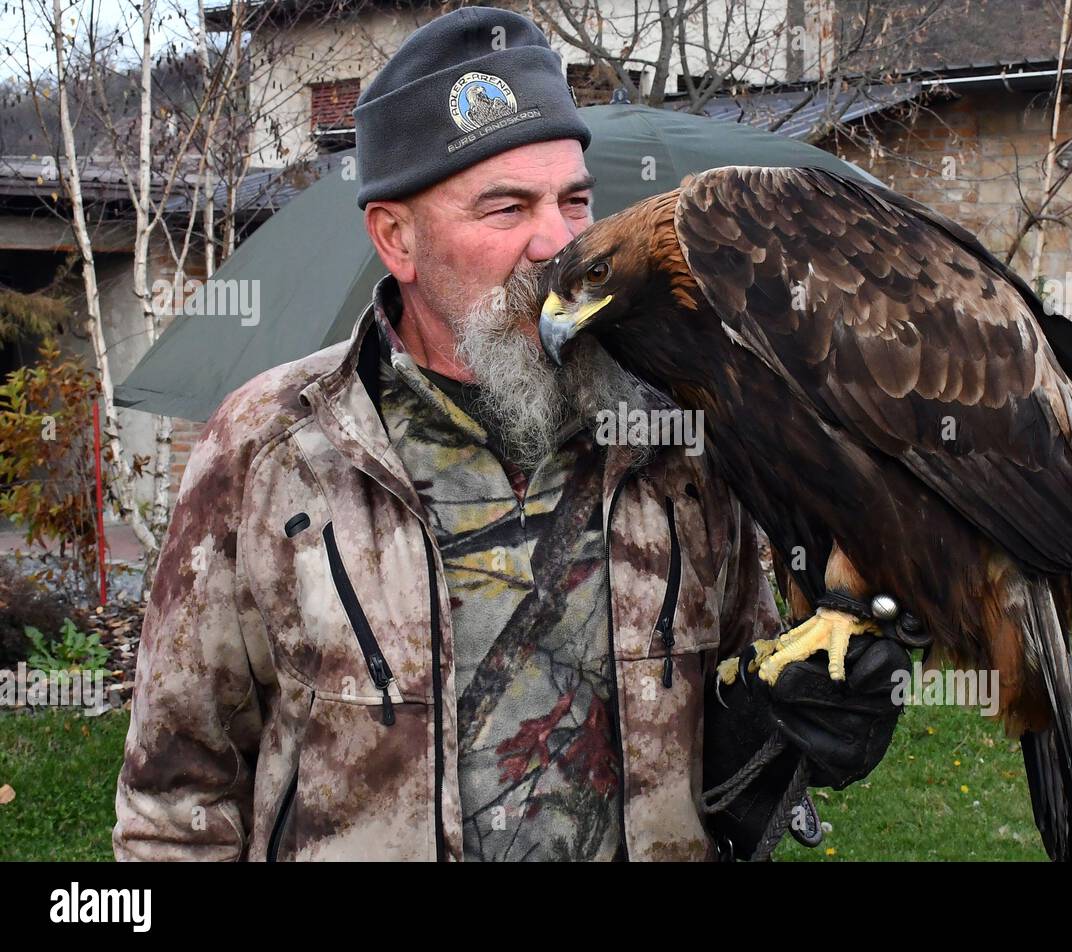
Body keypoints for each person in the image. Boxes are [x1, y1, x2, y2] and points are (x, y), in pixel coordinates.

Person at [112, 6, 907, 863]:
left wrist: (795, 717)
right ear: (396, 238)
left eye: (574, 200)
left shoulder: (679, 436)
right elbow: (176, 801)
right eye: (506, 208)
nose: (558, 243)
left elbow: (736, 706)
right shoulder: (268, 451)